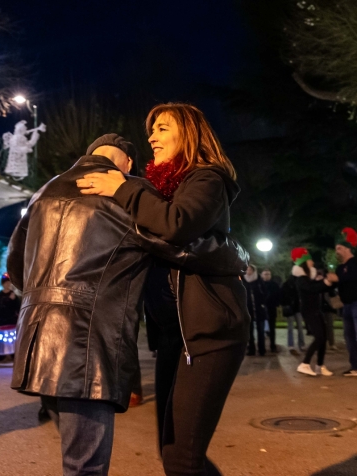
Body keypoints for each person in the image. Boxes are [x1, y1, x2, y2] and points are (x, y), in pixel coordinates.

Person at [9, 131, 248, 476]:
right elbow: (181, 244)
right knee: (85, 466)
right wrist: (238, 254)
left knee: (72, 457)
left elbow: (16, 269)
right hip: (85, 343)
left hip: (35, 343)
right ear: (128, 163)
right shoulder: (123, 192)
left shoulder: (44, 192)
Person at [76, 105, 251, 476]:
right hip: (175, 338)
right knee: (175, 453)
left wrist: (124, 188)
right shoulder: (162, 191)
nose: (151, 137)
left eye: (161, 128)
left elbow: (177, 225)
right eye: (151, 130)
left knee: (181, 459)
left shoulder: (207, 179)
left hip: (209, 335)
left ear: (188, 133)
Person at [292, 248, 334, 377]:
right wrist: (326, 282)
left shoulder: (308, 277)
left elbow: (315, 288)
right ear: (304, 262)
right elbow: (312, 290)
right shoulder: (301, 279)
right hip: (309, 311)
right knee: (320, 337)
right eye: (309, 259)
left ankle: (320, 366)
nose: (312, 262)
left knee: (323, 338)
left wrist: (322, 281)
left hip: (316, 310)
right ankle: (304, 364)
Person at [327, 227, 357, 376]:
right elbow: (338, 284)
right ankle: (355, 367)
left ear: (347, 249)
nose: (337, 251)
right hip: (346, 305)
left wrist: (338, 279)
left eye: (339, 248)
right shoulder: (339, 268)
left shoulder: (355, 263)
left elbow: (352, 278)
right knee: (349, 337)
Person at [0, 273, 20, 364]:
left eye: (9, 283)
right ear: (3, 284)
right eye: (6, 283)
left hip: (11, 322)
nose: (7, 284)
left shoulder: (14, 296)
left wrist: (13, 300)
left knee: (12, 342)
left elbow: (18, 308)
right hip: (0, 323)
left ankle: (13, 357)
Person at [244, 265, 268, 356]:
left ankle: (262, 349)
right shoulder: (243, 280)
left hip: (259, 309)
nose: (248, 271)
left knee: (260, 330)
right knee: (249, 331)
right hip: (248, 310)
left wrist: (262, 302)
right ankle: (251, 349)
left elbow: (265, 292)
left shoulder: (259, 280)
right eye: (247, 269)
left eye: (250, 270)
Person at [281, 271, 305, 355]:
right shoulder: (290, 285)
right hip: (292, 308)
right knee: (297, 327)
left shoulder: (290, 284)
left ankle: (294, 345)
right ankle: (297, 345)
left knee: (296, 327)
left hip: (295, 308)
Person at [261, 269, 281, 353]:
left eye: (268, 274)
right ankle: (261, 346)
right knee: (260, 329)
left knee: (272, 328)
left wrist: (276, 303)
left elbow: (278, 295)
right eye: (265, 274)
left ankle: (272, 345)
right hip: (261, 309)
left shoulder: (274, 285)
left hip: (271, 308)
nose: (266, 276)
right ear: (262, 275)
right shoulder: (259, 284)